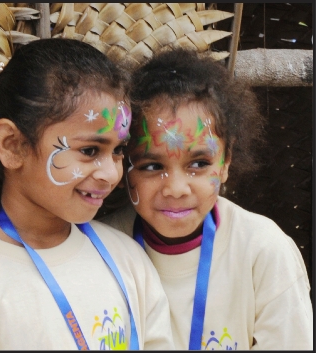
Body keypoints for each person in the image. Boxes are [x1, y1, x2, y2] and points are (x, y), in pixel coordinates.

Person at [0, 38, 174, 350]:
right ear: (12, 145)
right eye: (90, 150)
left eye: (118, 151)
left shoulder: (127, 260)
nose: (110, 174)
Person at [98, 48, 313, 350]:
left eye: (198, 164)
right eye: (151, 166)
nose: (175, 188)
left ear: (226, 162)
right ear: (124, 165)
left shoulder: (263, 252)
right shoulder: (102, 250)